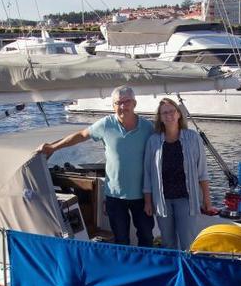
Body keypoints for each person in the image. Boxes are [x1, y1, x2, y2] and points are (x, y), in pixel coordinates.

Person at [38, 86, 155, 246]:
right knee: (121, 241)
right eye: (118, 103)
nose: (122, 106)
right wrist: (53, 147)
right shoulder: (106, 124)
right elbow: (81, 136)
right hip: (115, 195)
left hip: (142, 196)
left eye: (126, 102)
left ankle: (148, 269)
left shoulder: (148, 128)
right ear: (113, 106)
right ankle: (124, 269)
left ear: (134, 103)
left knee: (146, 238)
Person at [143, 98, 213, 250]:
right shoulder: (153, 141)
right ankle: (173, 272)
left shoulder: (193, 138)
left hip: (186, 199)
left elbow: (202, 171)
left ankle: (187, 272)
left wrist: (207, 198)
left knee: (188, 242)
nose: (169, 115)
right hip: (162, 201)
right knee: (168, 243)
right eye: (164, 113)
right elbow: (148, 174)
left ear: (179, 114)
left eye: (172, 111)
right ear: (160, 118)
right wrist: (148, 202)